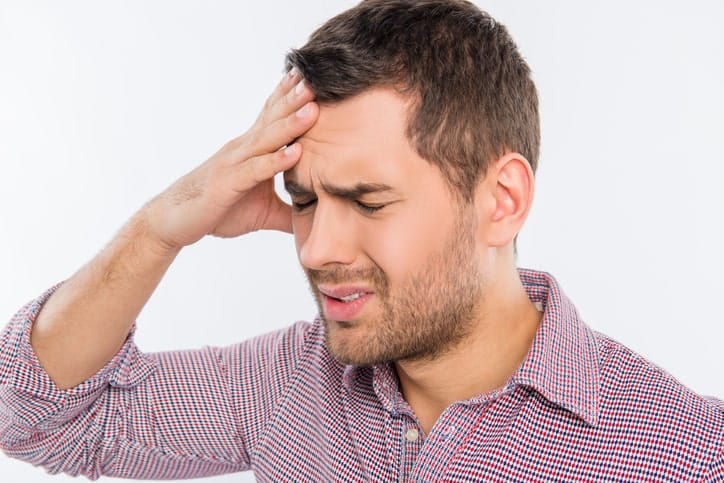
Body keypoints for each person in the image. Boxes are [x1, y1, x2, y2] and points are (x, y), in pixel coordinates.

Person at [1, 0, 721, 481]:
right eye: (306, 200)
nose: (314, 250)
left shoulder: (684, 453)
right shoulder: (290, 379)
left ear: (502, 202)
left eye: (368, 200)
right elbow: (37, 415)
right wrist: (163, 224)